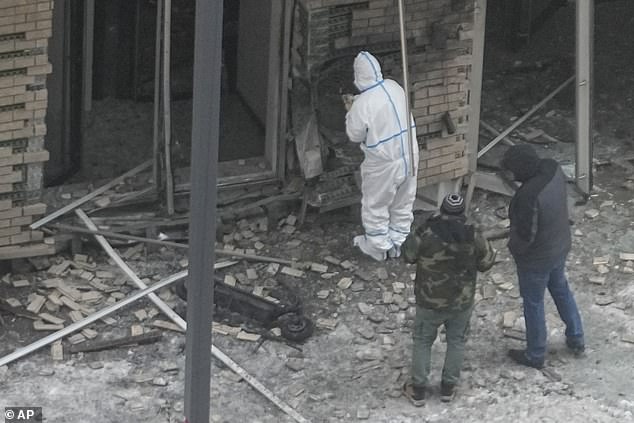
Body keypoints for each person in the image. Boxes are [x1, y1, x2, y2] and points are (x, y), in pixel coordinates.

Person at [401, 193, 496, 406]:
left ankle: (418, 390)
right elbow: (487, 262)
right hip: (461, 301)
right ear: (463, 213)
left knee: (423, 341)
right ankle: (448, 388)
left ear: (441, 210)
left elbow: (408, 255)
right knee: (456, 341)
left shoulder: (425, 231)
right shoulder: (473, 234)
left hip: (429, 300)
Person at [501, 144, 585, 369]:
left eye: (513, 170)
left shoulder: (528, 196)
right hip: (560, 244)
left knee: (533, 303)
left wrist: (515, 250)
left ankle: (535, 353)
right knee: (561, 289)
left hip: (537, 259)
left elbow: (526, 235)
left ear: (522, 168)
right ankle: (576, 337)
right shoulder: (552, 168)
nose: (512, 176)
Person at [345, 51, 419, 262]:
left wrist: (351, 110)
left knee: (375, 204)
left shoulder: (362, 104)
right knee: (403, 200)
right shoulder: (394, 87)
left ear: (358, 76)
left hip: (384, 163)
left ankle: (378, 247)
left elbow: (354, 134)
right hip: (410, 154)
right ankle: (399, 242)